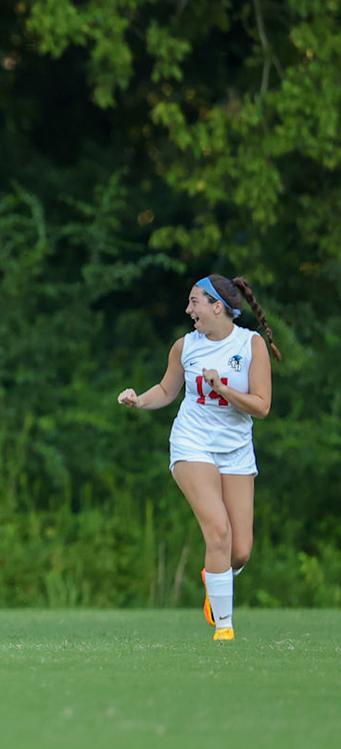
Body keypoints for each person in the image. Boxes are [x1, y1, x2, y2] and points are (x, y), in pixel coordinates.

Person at [118, 274, 279, 641]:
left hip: (236, 450)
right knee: (218, 532)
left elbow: (262, 406)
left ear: (217, 307)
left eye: (195, 302)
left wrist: (221, 386)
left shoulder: (251, 345)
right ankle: (224, 627)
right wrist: (138, 400)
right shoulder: (184, 347)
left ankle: (215, 575)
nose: (188, 310)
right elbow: (165, 389)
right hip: (193, 444)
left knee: (239, 552)